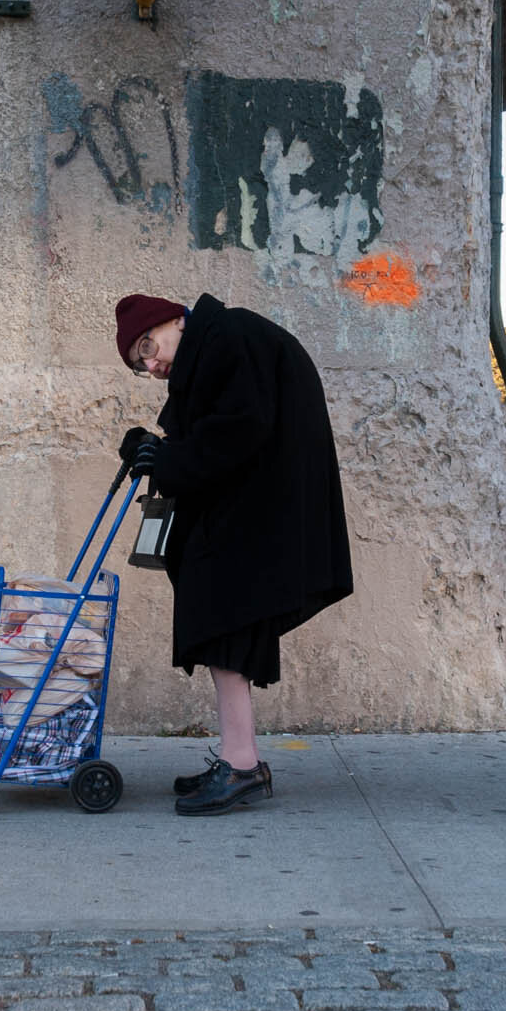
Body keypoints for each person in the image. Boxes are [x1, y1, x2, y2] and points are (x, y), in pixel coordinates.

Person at [112, 292, 354, 816]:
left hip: (258, 514)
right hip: (255, 510)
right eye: (141, 365)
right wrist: (156, 449)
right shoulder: (216, 345)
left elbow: (238, 430)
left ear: (174, 319)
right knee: (227, 629)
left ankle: (241, 765)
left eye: (149, 347)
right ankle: (238, 756)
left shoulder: (228, 337)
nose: (152, 365)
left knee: (224, 623)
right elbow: (213, 432)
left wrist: (168, 458)